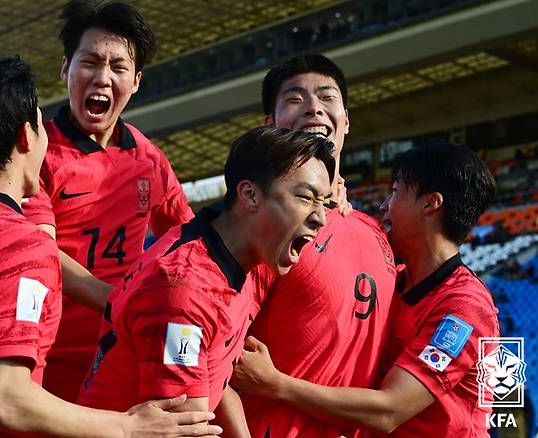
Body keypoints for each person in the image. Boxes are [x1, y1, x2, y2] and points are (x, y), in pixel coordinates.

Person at [0, 56, 221, 437]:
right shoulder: (19, 246)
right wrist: (127, 426)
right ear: (27, 137)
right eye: (42, 125)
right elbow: (2, 399)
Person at [233, 141, 500, 437]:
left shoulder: (464, 307)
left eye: (396, 192)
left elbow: (390, 410)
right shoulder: (391, 279)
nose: (384, 205)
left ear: (430, 204)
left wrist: (275, 383)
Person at [78, 127, 335, 431]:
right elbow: (187, 430)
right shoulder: (184, 289)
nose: (321, 218)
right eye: (306, 198)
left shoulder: (241, 254)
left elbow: (215, 372)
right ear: (250, 195)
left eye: (325, 202)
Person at [22, 0, 194, 402]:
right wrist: (119, 301)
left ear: (136, 81)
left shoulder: (148, 157)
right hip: (47, 359)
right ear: (65, 69)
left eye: (118, 67)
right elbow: (38, 251)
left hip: (120, 359)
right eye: (90, 63)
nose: (102, 77)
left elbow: (187, 240)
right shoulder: (36, 153)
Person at [235, 54, 397, 437]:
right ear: (270, 124)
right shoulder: (258, 227)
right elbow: (219, 351)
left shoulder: (376, 232)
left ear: (346, 119)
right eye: (295, 99)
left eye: (327, 97)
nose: (314, 109)